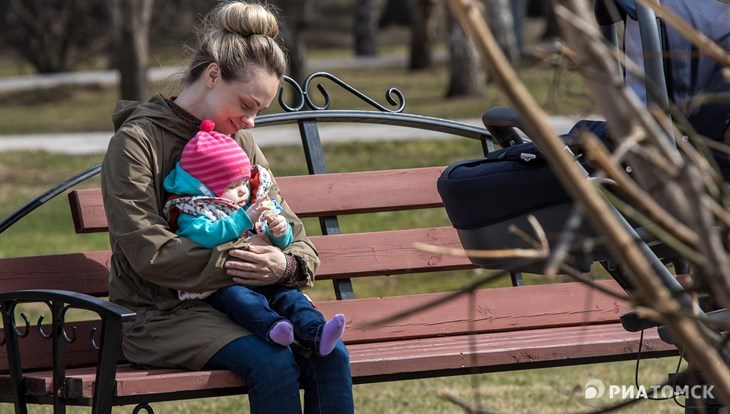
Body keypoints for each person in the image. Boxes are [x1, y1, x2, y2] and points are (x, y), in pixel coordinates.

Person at [100, 1, 354, 412]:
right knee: (271, 362)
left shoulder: (239, 143)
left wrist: (283, 266)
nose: (252, 122)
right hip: (162, 314)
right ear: (214, 75)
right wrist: (240, 264)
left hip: (247, 305)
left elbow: (294, 232)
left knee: (331, 355)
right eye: (247, 105)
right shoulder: (137, 143)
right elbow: (149, 252)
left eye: (260, 111)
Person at [162, 119, 346, 354]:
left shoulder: (249, 202)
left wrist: (279, 232)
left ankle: (317, 332)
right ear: (205, 187)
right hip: (221, 286)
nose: (242, 191)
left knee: (291, 297)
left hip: (266, 278)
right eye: (232, 185)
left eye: (243, 182)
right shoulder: (193, 210)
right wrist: (244, 219)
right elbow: (207, 237)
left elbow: (282, 241)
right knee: (241, 301)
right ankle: (274, 329)